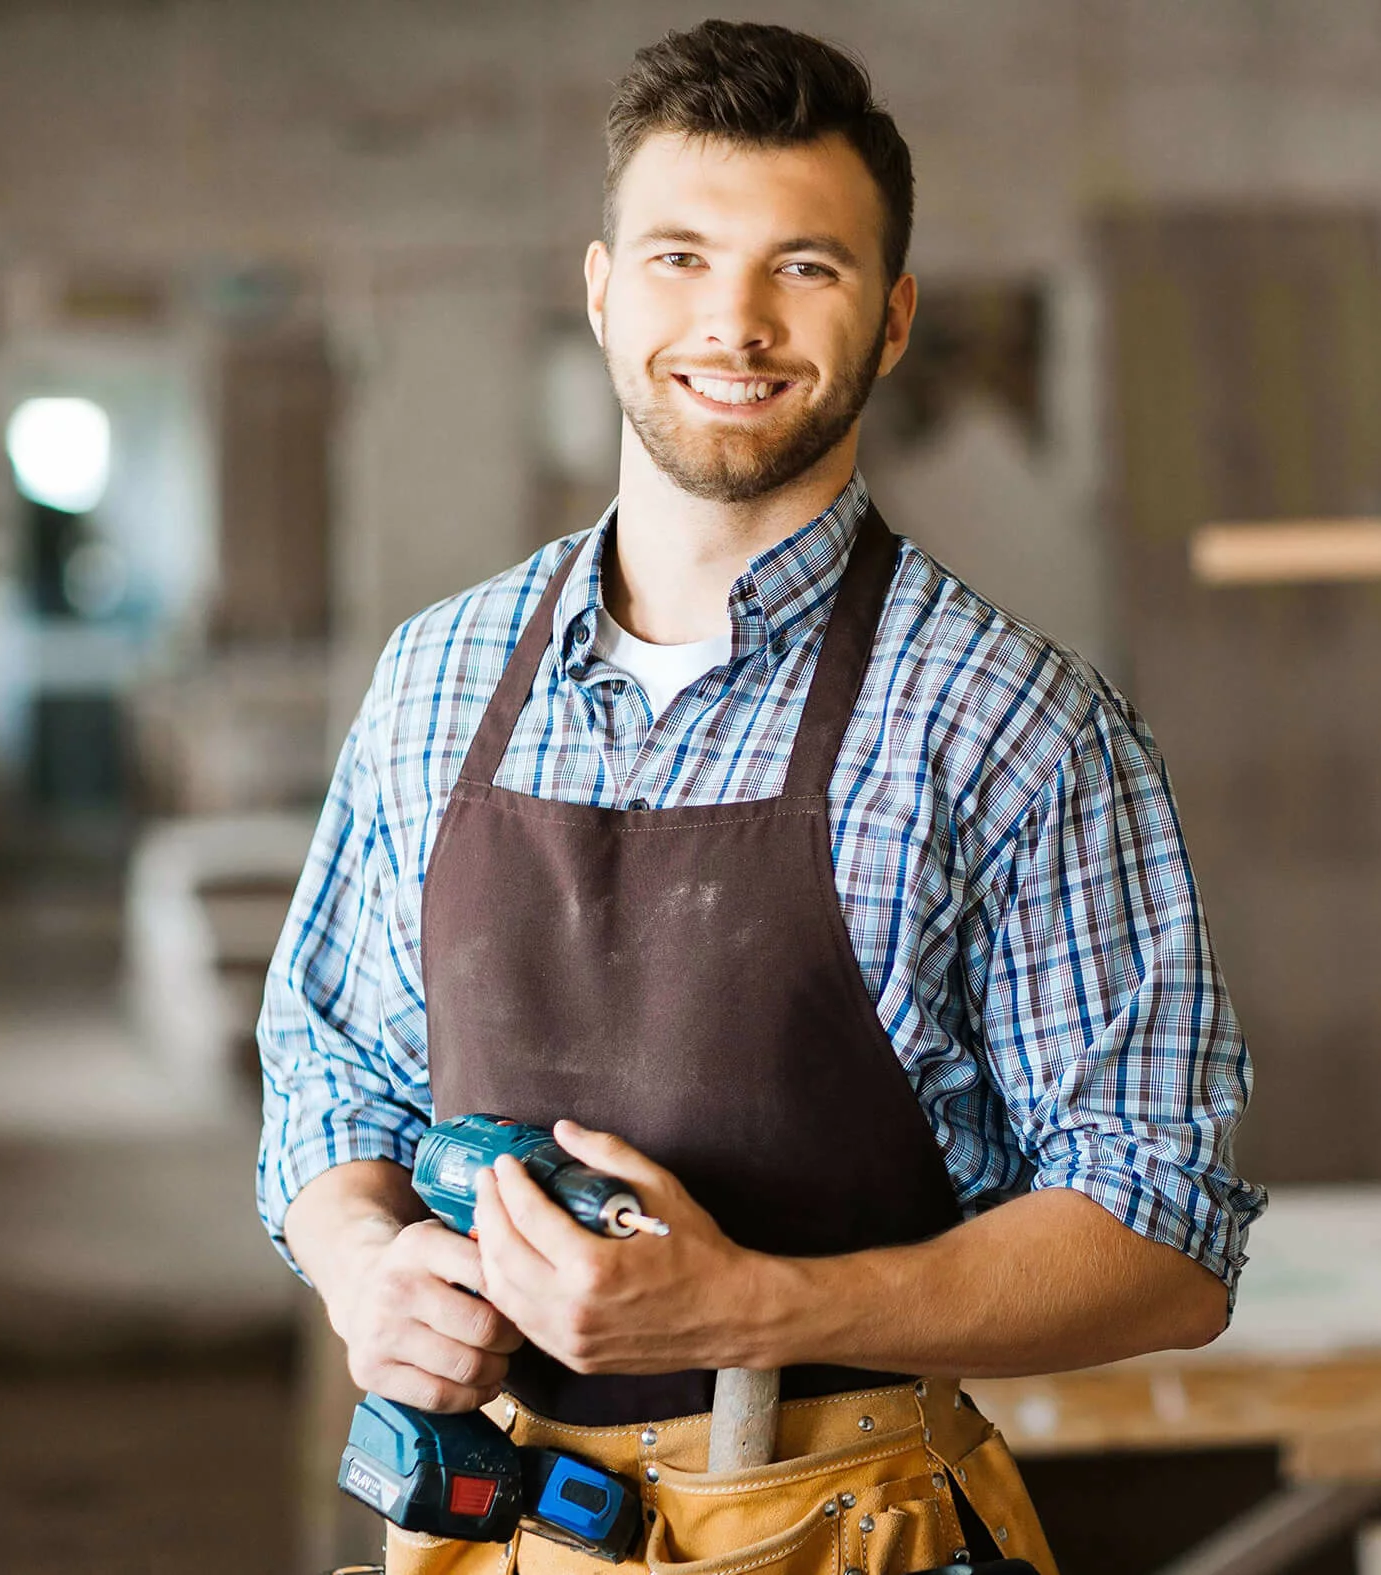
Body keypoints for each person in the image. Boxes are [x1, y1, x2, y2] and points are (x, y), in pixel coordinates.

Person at [257, 21, 1264, 1573]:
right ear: (599, 289)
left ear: (894, 315)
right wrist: (362, 1261)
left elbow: (1164, 1231)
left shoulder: (1009, 723)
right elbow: (331, 1067)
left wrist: (761, 1306)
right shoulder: (438, 677)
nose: (732, 320)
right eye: (678, 256)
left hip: (840, 1524)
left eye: (806, 267)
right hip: (489, 1524)